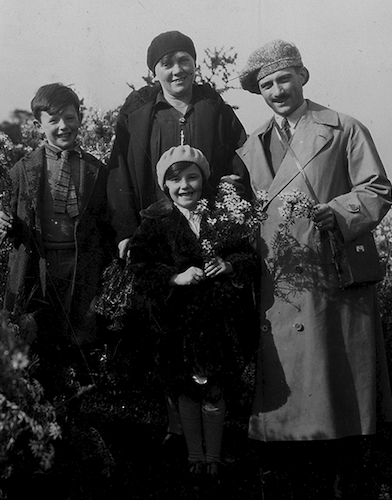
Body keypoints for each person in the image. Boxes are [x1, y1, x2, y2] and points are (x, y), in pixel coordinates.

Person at [235, 40, 392, 499]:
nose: (277, 90)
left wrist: (339, 212)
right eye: (266, 84)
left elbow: (376, 188)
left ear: (303, 76)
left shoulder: (344, 128)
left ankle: (347, 479)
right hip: (281, 280)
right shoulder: (254, 143)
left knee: (336, 388)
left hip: (331, 272)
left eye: (284, 78)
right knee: (288, 396)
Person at [106, 29, 247, 446]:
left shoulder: (214, 108)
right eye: (166, 62)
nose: (176, 69)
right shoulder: (139, 114)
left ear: (194, 64)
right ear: (154, 72)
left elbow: (239, 161)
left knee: (204, 326)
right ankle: (175, 422)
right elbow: (120, 173)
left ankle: (210, 421)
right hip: (157, 232)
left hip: (204, 231)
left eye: (183, 59)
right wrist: (126, 231)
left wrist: (230, 217)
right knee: (162, 325)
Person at [127, 145, 258, 486]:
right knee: (184, 388)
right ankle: (193, 457)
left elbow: (248, 256)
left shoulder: (221, 216)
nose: (184, 185)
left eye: (192, 177)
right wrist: (175, 277)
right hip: (176, 322)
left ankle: (213, 458)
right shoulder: (155, 222)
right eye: (175, 180)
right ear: (165, 185)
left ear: (204, 179)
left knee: (214, 389)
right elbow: (140, 266)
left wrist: (229, 265)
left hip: (217, 321)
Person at [0, 83, 114, 394]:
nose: (63, 127)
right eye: (54, 120)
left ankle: (79, 396)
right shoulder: (24, 169)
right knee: (32, 326)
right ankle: (34, 392)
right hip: (39, 262)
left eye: (70, 118)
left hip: (80, 265)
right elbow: (8, 212)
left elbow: (104, 221)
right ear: (38, 126)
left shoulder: (95, 170)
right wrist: (0, 222)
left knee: (78, 328)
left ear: (80, 119)